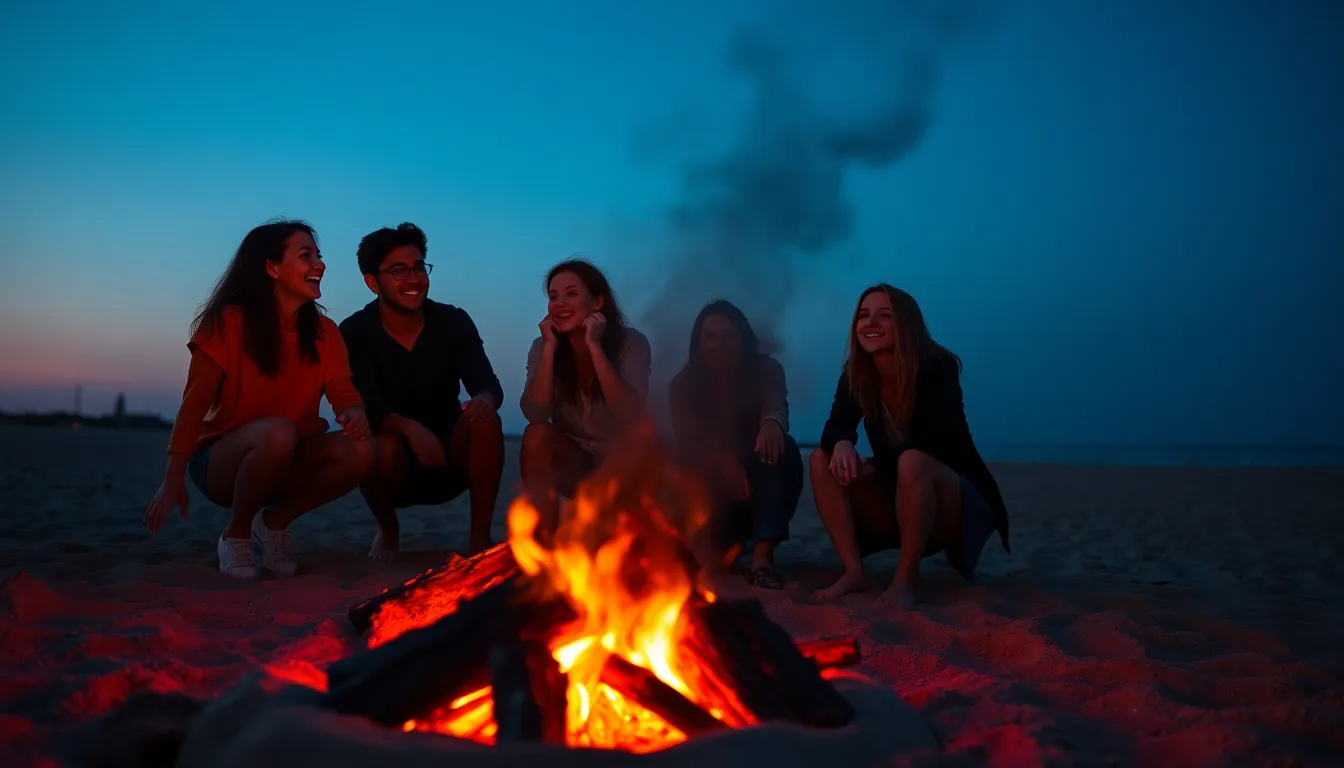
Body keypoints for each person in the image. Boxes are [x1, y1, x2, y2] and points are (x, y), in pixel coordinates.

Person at [143, 220, 376, 579]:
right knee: (278, 433)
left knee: (362, 449)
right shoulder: (226, 323)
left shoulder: (325, 333)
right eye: (306, 255)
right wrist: (173, 477)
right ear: (272, 267)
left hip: (290, 457)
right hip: (221, 464)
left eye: (319, 256)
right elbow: (194, 402)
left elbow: (342, 390)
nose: (320, 264)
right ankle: (234, 535)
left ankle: (272, 523)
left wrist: (353, 411)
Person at [812, 283, 1010, 607]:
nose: (870, 323)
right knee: (822, 458)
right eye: (863, 315)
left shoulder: (937, 366)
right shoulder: (858, 373)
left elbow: (941, 441)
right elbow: (835, 425)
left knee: (913, 461)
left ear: (906, 323)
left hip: (954, 500)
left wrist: (873, 467)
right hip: (901, 493)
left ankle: (905, 580)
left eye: (884, 315)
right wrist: (843, 442)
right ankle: (853, 571)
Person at [339, 223, 506, 559]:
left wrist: (484, 400)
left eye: (418, 268)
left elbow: (487, 383)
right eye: (398, 270)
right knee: (368, 442)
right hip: (393, 465)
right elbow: (364, 401)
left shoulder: (453, 321)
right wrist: (409, 429)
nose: (413, 279)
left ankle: (479, 540)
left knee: (486, 419)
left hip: (451, 457)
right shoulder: (355, 331)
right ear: (373, 282)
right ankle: (388, 530)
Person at [669, 300, 802, 590]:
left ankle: (763, 561)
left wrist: (771, 423)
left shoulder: (766, 369)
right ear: (698, 341)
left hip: (761, 490)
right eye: (710, 337)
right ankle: (706, 552)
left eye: (729, 336)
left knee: (782, 447)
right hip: (712, 496)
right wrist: (722, 461)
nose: (720, 345)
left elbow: (775, 404)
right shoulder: (683, 384)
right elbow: (686, 441)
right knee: (678, 460)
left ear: (744, 340)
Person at [518, 259, 651, 528]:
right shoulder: (543, 347)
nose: (560, 303)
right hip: (575, 463)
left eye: (571, 294)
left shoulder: (631, 343)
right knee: (536, 434)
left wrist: (595, 347)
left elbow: (630, 413)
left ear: (598, 302)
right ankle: (543, 545)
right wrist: (549, 351)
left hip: (625, 467)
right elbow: (535, 412)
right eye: (554, 297)